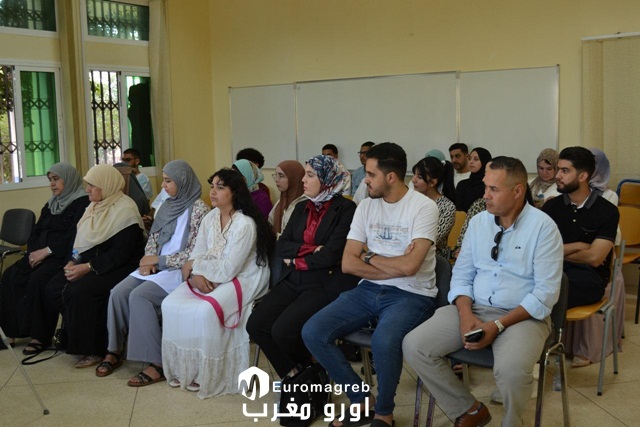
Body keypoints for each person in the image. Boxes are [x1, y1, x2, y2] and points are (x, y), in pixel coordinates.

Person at [403, 156, 564, 427]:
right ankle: (468, 410)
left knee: (511, 371)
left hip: (522, 316)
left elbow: (545, 294)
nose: (485, 195)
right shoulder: (478, 223)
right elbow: (462, 275)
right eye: (486, 187)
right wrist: (466, 315)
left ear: (517, 191)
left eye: (493, 189)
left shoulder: (543, 228)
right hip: (473, 308)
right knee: (415, 346)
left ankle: (512, 423)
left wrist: (498, 325)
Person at [302, 142, 439, 427]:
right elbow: (348, 263)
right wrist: (392, 264)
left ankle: (384, 413)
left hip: (413, 294)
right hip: (368, 289)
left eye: (371, 174)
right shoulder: (365, 206)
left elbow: (411, 268)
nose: (365, 180)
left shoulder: (424, 207)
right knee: (313, 331)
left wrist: (369, 255)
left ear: (391, 177)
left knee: (384, 341)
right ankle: (362, 400)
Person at [161, 168, 275, 399]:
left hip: (246, 277)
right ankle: (186, 369)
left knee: (205, 311)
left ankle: (209, 375)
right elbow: (198, 251)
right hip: (209, 273)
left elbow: (229, 269)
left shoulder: (244, 224)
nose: (213, 192)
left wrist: (195, 268)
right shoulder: (210, 217)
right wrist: (196, 275)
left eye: (220, 188)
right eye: (212, 186)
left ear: (235, 193)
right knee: (170, 304)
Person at [98, 160, 210, 384]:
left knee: (140, 296)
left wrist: (159, 261)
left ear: (183, 181)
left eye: (168, 181)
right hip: (157, 267)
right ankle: (114, 350)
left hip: (177, 270)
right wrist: (148, 260)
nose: (163, 185)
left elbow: (194, 253)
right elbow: (153, 238)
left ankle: (157, 363)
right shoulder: (166, 206)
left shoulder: (200, 210)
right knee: (118, 292)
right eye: (164, 180)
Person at [247, 155, 358, 381]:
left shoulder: (346, 209)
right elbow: (283, 246)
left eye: (310, 175)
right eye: (305, 175)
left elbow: (332, 254)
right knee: (256, 324)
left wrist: (299, 258)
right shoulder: (302, 206)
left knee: (283, 331)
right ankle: (296, 373)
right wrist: (312, 249)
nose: (304, 180)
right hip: (295, 277)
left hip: (323, 282)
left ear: (327, 179)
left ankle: (311, 372)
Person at [33, 164, 145, 368]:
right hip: (91, 261)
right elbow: (82, 241)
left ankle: (96, 348)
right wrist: (73, 260)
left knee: (81, 291)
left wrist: (88, 267)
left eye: (92, 185)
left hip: (118, 266)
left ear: (106, 185)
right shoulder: (93, 207)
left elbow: (121, 254)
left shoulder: (125, 209)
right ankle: (75, 336)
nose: (87, 190)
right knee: (54, 287)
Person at [542, 147, 619, 362]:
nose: (557, 175)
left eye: (565, 171)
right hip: (553, 272)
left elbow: (595, 258)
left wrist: (555, 252)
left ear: (583, 176)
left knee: (548, 294)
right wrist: (578, 246)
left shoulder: (607, 210)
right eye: (558, 169)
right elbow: (538, 251)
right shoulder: (551, 207)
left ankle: (541, 352)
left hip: (589, 278)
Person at [0, 163, 89, 349]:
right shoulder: (51, 204)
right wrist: (33, 253)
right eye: (50, 180)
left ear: (69, 179)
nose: (52, 184)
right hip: (39, 255)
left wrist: (47, 251)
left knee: (38, 280)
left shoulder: (82, 203)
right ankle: (12, 331)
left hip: (61, 256)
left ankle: (40, 337)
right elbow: (36, 231)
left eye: (56, 179)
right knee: (10, 275)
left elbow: (73, 236)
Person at [411, 156, 456, 258]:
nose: (413, 180)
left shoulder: (447, 207)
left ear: (432, 182)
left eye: (419, 177)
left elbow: (432, 238)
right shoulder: (411, 201)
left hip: (433, 257)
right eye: (414, 174)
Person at [267, 160, 306, 236]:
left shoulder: (305, 203)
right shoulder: (281, 201)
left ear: (294, 178)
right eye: (275, 175)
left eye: (281, 176)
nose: (276, 180)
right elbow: (270, 222)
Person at [455, 147, 492, 212]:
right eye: (469, 158)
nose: (471, 162)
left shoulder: (489, 186)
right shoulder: (462, 185)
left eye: (476, 159)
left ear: (484, 162)